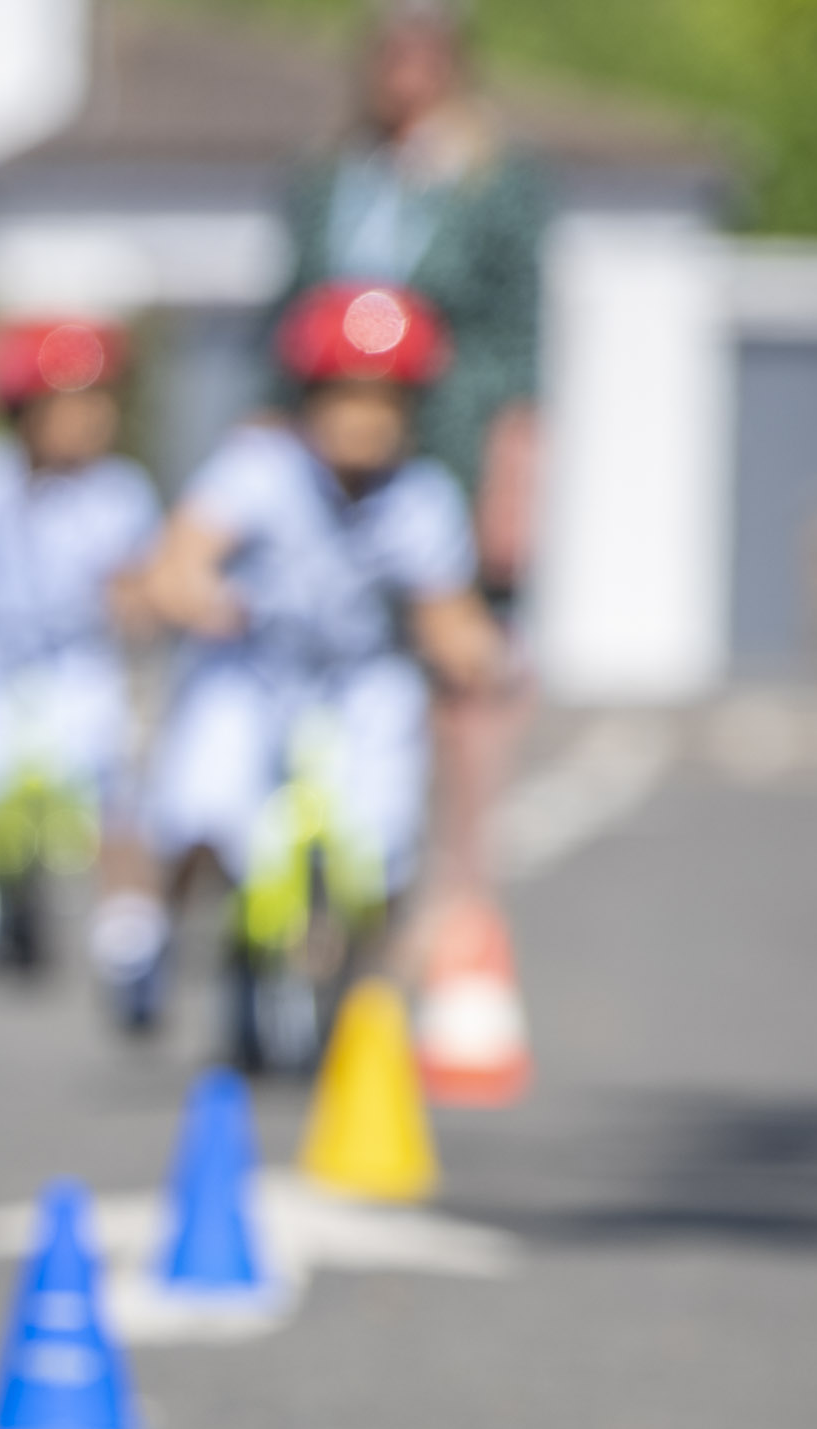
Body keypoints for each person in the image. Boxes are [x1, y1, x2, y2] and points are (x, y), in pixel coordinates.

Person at [130, 281, 500, 1044]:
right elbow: (181, 557)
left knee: (384, 831)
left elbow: (447, 613)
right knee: (204, 798)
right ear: (306, 398)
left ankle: (362, 980)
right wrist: (194, 592)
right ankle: (160, 934)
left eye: (385, 400)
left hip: (361, 682)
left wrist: (476, 652)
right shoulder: (259, 469)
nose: (363, 419)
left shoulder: (424, 500)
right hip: (256, 667)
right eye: (343, 395)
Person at [274, 0, 549, 916]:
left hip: (447, 441)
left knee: (461, 659)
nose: (407, 70)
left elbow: (519, 339)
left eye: (425, 52)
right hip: (333, 452)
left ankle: (459, 883)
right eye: (392, 50)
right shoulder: (330, 176)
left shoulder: (491, 180)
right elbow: (283, 314)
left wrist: (512, 478)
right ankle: (331, 871)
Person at [0, 316, 161, 997]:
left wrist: (137, 611)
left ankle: (128, 921)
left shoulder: (118, 493)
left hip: (76, 665)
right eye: (73, 404)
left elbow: (134, 587)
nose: (91, 420)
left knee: (112, 773)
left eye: (101, 402)